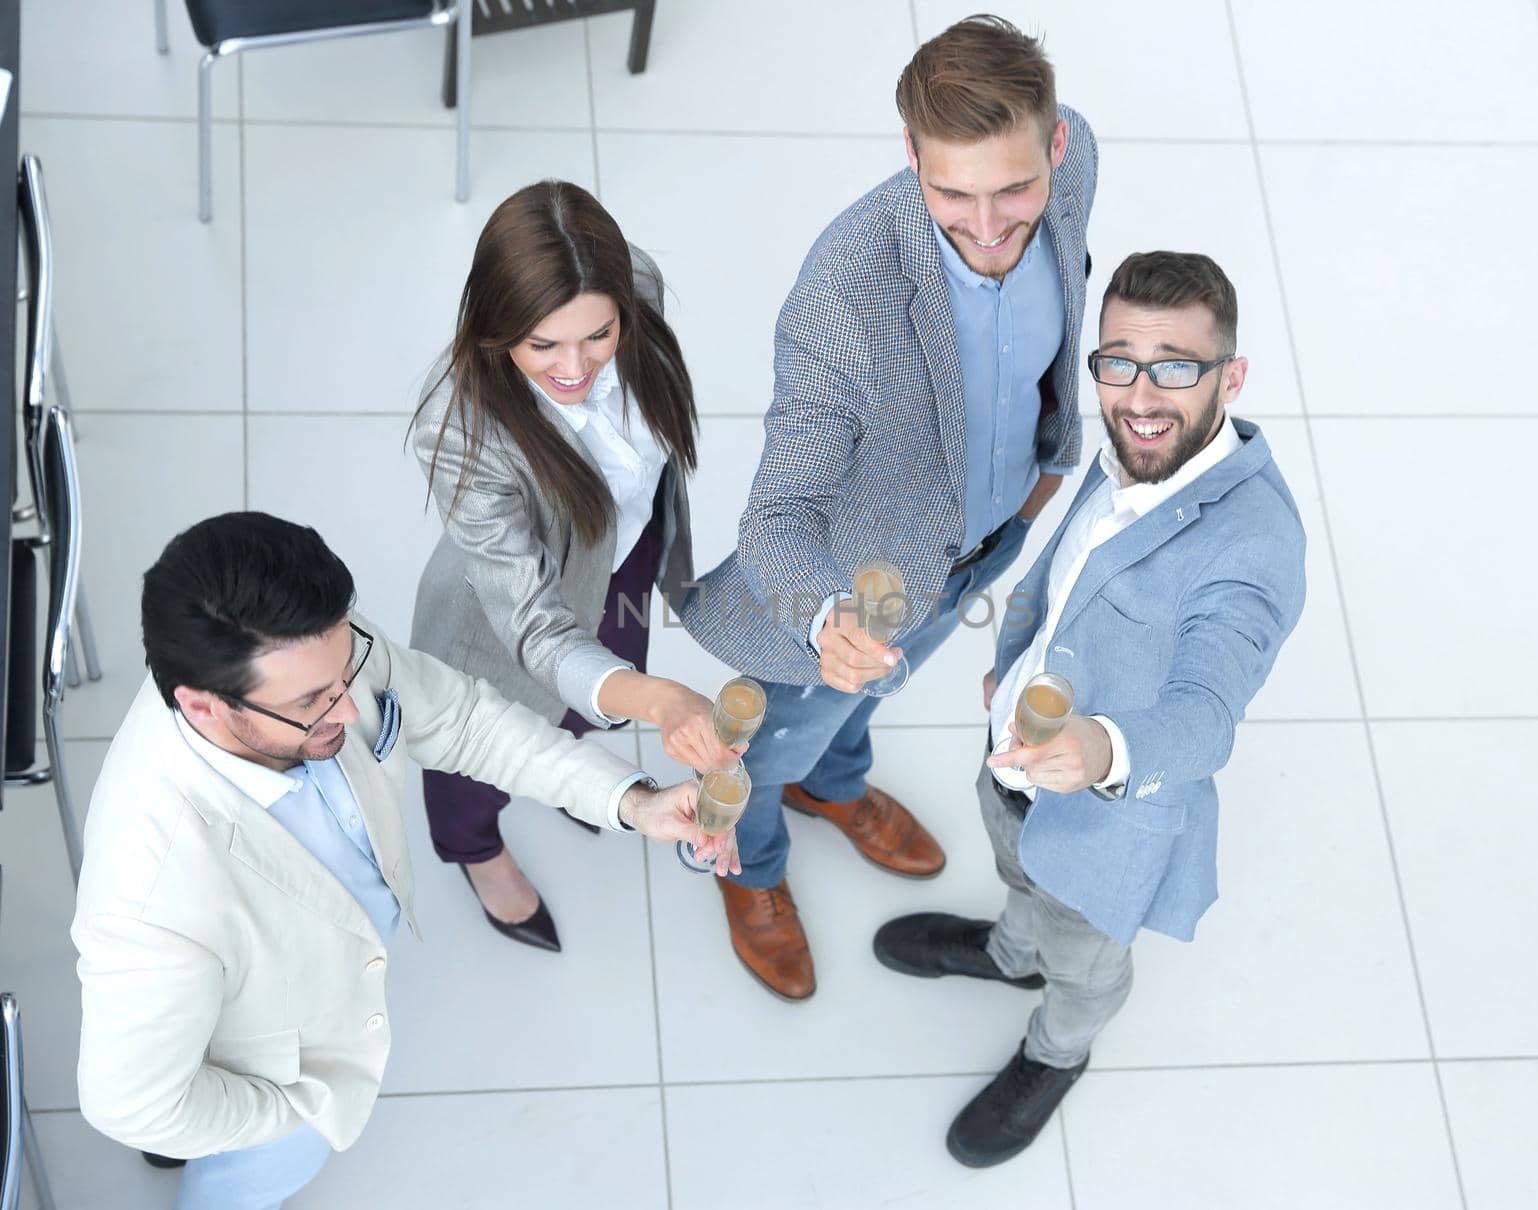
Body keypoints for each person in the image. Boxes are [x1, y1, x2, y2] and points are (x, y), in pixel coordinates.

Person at [71, 512, 734, 1209]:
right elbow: (130, 1103)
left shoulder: (319, 660)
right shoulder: (154, 892)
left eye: (345, 674)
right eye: (309, 705)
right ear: (203, 708)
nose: (348, 707)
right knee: (241, 1177)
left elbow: (461, 720)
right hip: (276, 1077)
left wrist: (631, 802)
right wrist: (301, 1112)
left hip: (278, 986)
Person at [677, 15, 1097, 1000]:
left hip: (981, 543)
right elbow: (776, 518)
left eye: (1014, 189)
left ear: (1057, 146)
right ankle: (756, 861)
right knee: (769, 744)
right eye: (951, 193)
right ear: (910, 156)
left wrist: (1042, 477)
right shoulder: (843, 296)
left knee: (858, 704)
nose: (988, 228)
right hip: (847, 592)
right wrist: (826, 622)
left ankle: (835, 786)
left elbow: (1065, 284)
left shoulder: (1075, 162)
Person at [873, 251, 1307, 1166]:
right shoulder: (1133, 450)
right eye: (1119, 361)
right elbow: (1065, 568)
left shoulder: (1255, 544)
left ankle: (1056, 1051)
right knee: (1018, 875)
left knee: (1086, 964)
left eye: (1176, 366)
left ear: (1231, 376)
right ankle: (1008, 951)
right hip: (1014, 762)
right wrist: (1010, 658)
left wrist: (1102, 748)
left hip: (1105, 819)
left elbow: (1207, 710)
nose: (1141, 395)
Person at [410, 181, 738, 952]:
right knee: (478, 765)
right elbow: (534, 629)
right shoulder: (460, 431)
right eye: (541, 345)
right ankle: (474, 850)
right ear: (495, 331)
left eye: (597, 335)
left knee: (587, 706)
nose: (574, 367)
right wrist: (663, 702)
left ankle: (568, 777)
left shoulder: (638, 285)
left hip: (620, 564)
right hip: (508, 621)